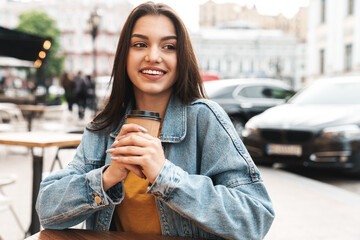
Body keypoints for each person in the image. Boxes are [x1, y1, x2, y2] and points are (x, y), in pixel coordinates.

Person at [36, 2, 274, 239]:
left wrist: (166, 176)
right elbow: (47, 209)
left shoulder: (204, 118)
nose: (153, 56)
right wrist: (107, 177)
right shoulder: (105, 127)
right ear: (124, 55)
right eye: (140, 44)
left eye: (169, 47)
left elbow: (255, 219)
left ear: (182, 57)